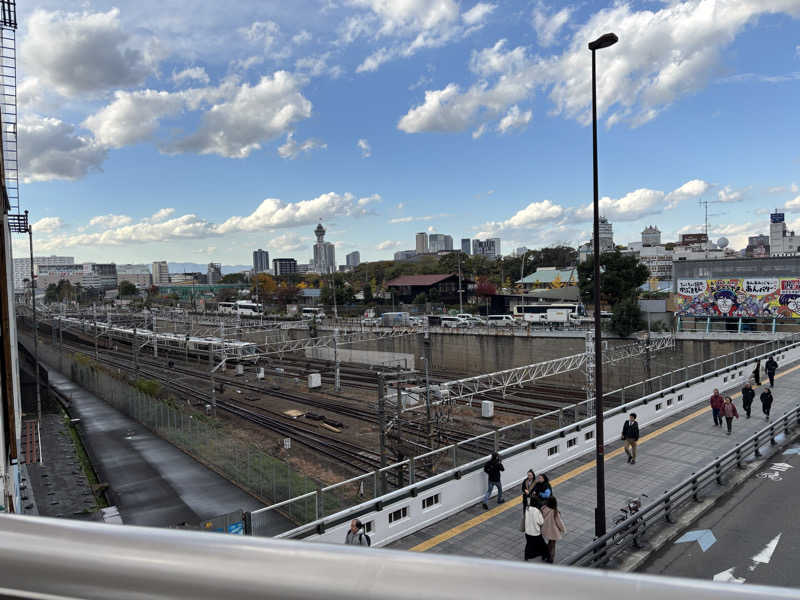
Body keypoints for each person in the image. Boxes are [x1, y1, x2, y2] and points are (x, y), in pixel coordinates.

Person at [541, 496, 566, 563]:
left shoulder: (543, 508)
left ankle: (545, 555)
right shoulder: (555, 512)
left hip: (546, 529)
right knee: (553, 545)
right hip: (553, 532)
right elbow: (559, 523)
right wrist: (563, 529)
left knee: (549, 542)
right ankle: (550, 559)